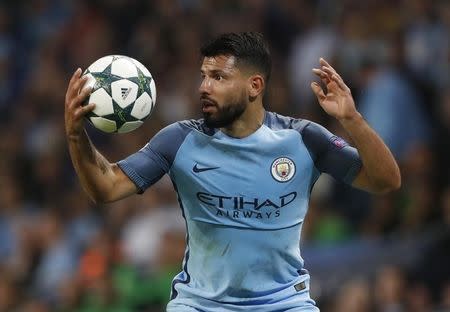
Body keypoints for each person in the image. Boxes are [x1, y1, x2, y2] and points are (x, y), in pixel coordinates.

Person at [64, 32, 401, 312]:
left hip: (284, 303)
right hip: (200, 304)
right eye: (203, 76)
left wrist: (352, 120)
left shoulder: (303, 139)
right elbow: (105, 188)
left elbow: (386, 181)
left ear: (254, 86)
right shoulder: (179, 140)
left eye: (218, 77)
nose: (203, 87)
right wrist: (76, 135)